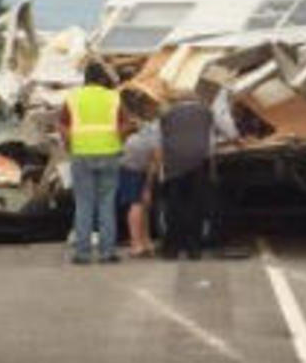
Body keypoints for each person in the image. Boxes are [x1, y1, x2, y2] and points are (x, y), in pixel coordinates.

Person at [61, 62, 128, 264]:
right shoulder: (114, 97)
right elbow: (123, 125)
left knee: (84, 204)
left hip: (81, 154)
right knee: (107, 204)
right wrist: (119, 141)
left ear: (85, 78)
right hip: (109, 154)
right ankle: (107, 252)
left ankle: (82, 253)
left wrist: (69, 145)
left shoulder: (72, 98)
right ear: (102, 79)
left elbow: (62, 125)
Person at [159, 94, 214, 260]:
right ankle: (194, 248)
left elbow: (161, 137)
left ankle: (171, 249)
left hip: (174, 163)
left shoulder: (167, 114)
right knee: (196, 206)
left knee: (174, 207)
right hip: (197, 162)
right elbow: (212, 136)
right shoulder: (206, 112)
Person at [118, 120, 159, 257]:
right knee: (137, 204)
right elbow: (154, 162)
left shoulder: (153, 129)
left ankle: (145, 242)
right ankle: (137, 245)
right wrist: (148, 186)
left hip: (133, 161)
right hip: (132, 166)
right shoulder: (159, 135)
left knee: (143, 204)